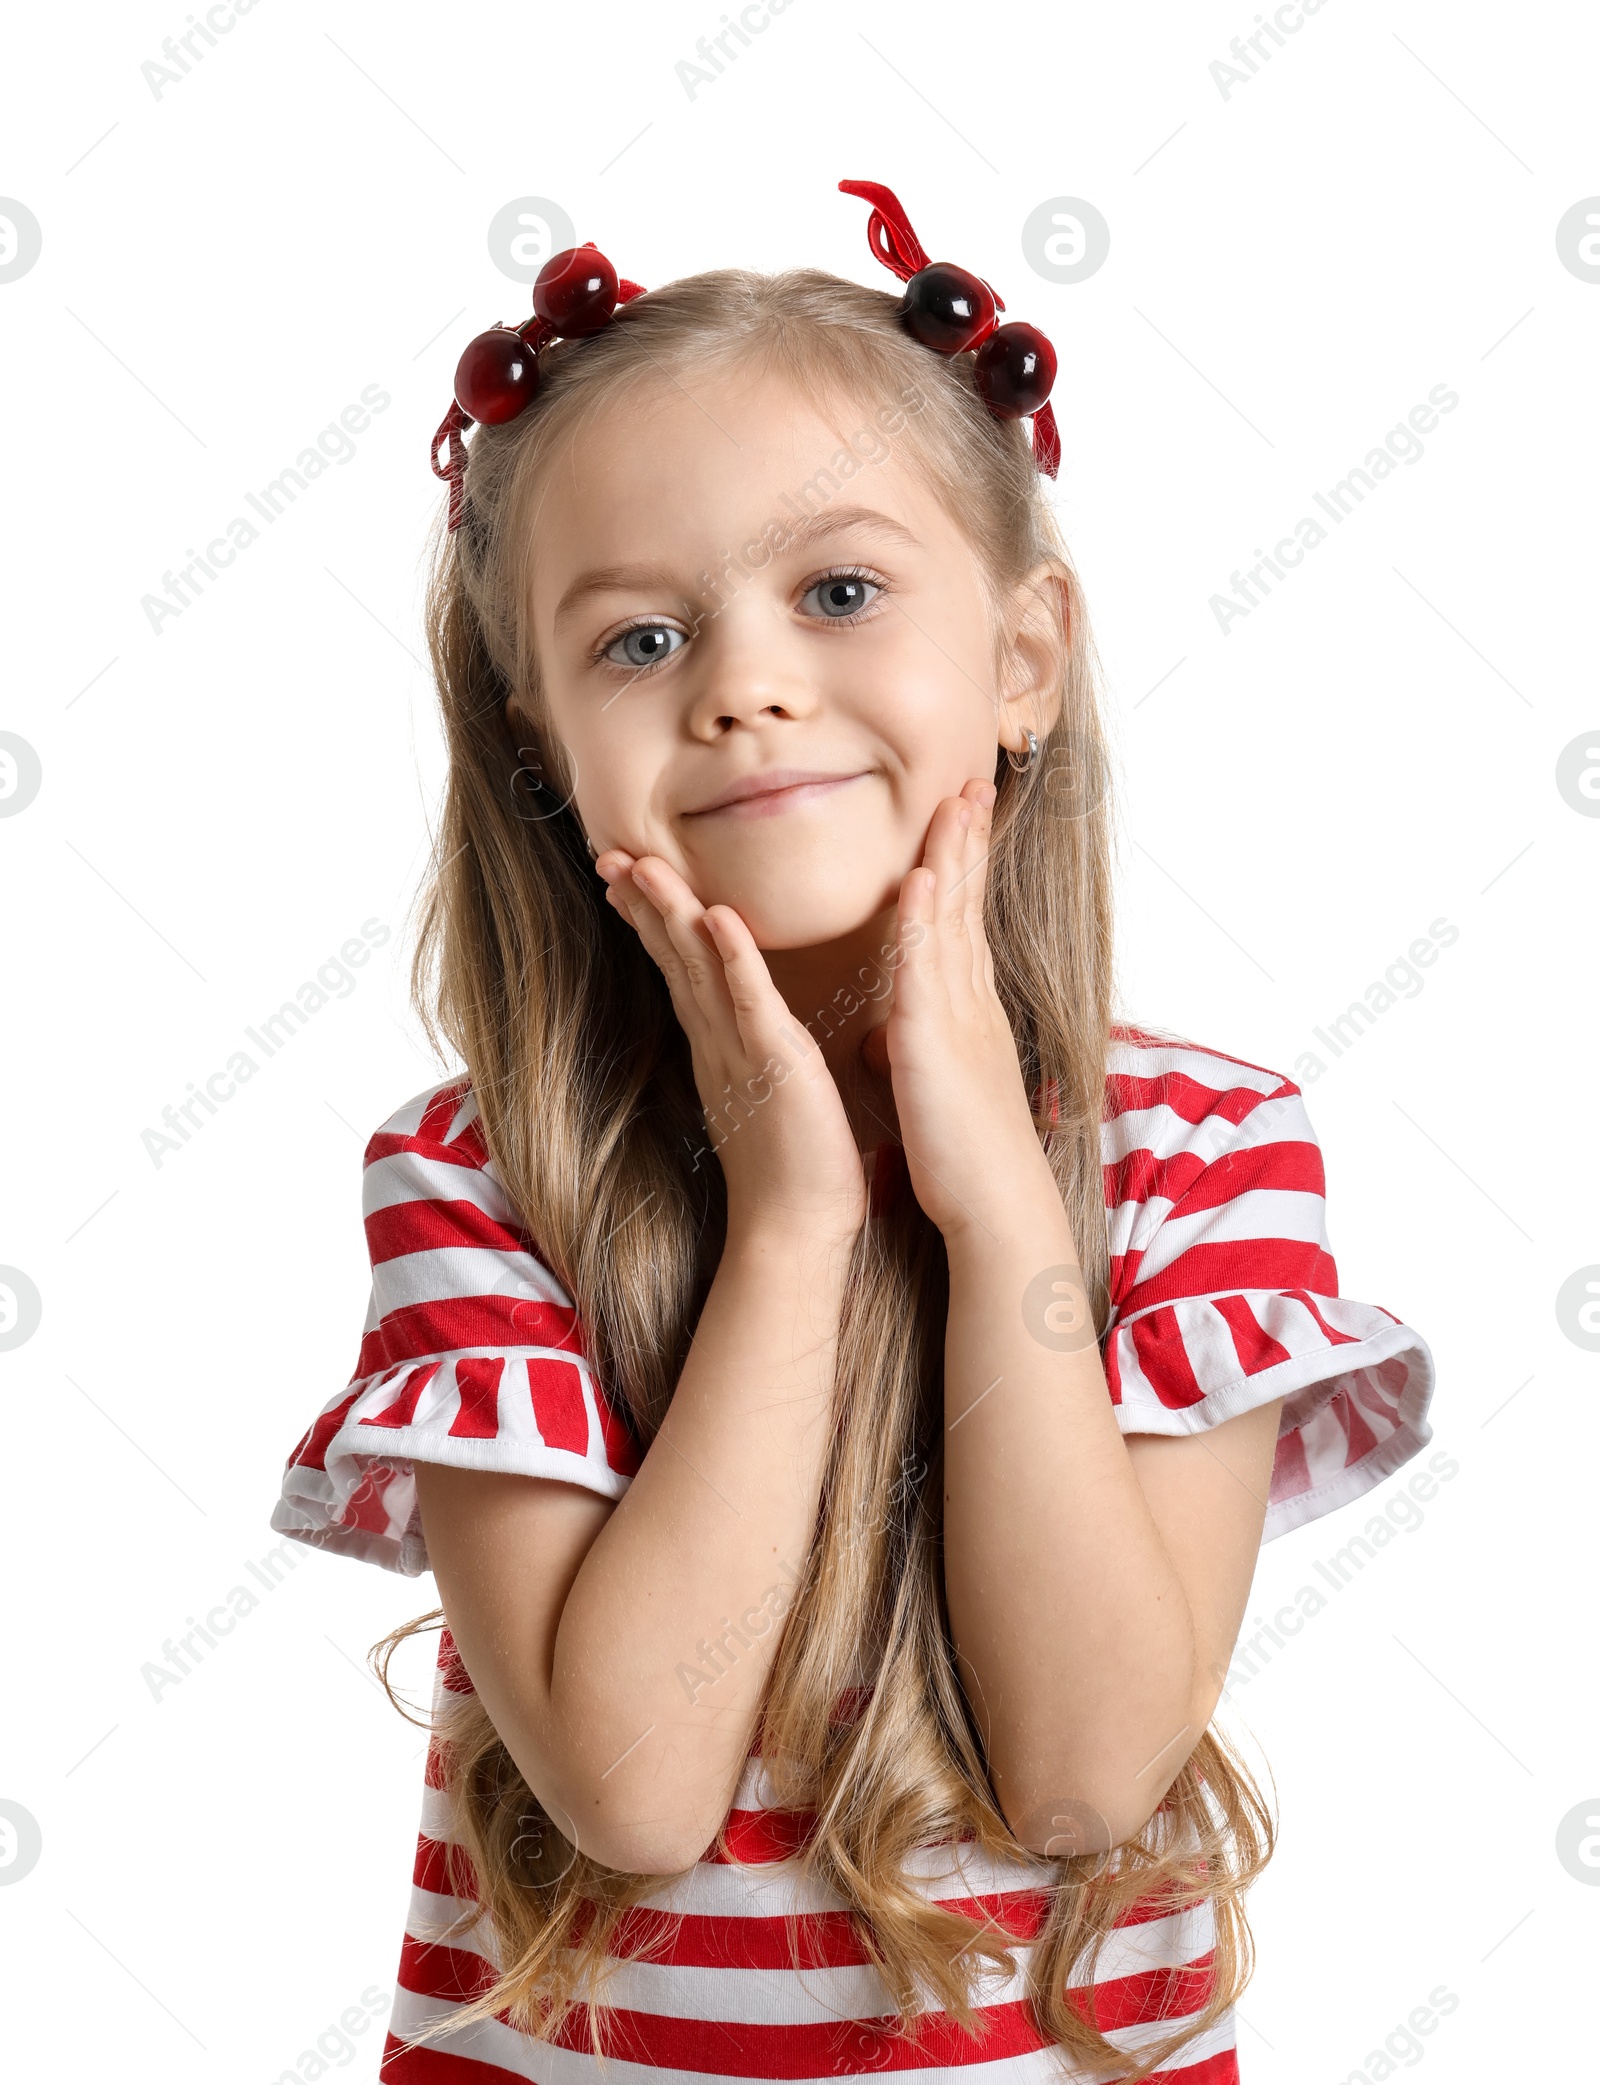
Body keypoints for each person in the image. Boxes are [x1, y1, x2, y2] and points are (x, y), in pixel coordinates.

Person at [270, 183, 1436, 2083]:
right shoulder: (483, 1176)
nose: (742, 682)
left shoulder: (1207, 1150)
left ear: (1024, 655)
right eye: (640, 639)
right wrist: (799, 1219)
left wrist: (994, 1206)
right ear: (542, 740)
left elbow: (1078, 1771)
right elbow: (637, 1787)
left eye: (837, 591)